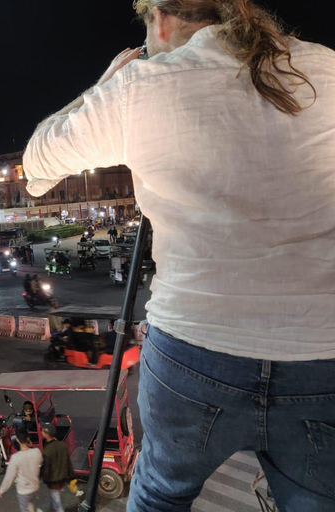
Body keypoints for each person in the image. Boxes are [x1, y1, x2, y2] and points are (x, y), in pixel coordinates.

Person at [23, 1, 335, 510]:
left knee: (161, 494)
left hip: (195, 349)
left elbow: (36, 167)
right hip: (323, 353)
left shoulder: (138, 87)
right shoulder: (325, 66)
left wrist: (102, 86)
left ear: (161, 20)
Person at [0, 432, 42, 512]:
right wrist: (31, 446)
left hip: (23, 491)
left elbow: (9, 476)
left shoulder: (16, 458)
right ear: (28, 439)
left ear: (18, 441)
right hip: (35, 488)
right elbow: (40, 462)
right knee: (32, 507)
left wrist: (2, 489)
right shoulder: (37, 452)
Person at [41, 422, 74, 512]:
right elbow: (68, 462)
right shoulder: (62, 445)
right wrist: (72, 476)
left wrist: (45, 479)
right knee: (55, 497)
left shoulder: (47, 450)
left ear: (46, 433)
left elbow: (47, 468)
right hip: (62, 477)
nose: (41, 432)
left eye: (42, 431)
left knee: (57, 501)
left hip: (53, 480)